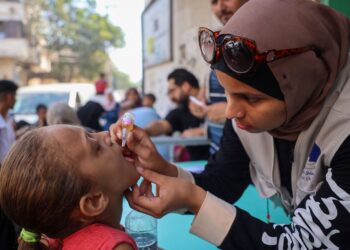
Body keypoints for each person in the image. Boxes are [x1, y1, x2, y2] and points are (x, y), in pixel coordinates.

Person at [110, 0, 350, 249]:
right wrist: (160, 167)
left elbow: (302, 244)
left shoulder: (344, 128)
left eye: (252, 98)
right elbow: (222, 182)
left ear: (302, 82)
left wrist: (195, 200)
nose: (231, 111)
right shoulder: (250, 121)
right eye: (227, 92)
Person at [0, 124, 139, 250]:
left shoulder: (52, 241)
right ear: (93, 201)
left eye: (91, 133)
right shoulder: (116, 247)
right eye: (97, 148)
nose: (106, 133)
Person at [190, 0, 248, 154]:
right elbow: (208, 89)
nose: (221, 8)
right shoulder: (215, 41)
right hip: (218, 153)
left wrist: (235, 112)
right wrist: (199, 101)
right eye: (214, 1)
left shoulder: (266, 40)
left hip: (250, 163)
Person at [145, 68, 209, 161]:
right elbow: (162, 125)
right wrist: (145, 131)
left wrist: (205, 131)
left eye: (172, 91)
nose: (170, 97)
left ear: (185, 86)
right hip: (198, 166)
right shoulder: (180, 111)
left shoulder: (214, 99)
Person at [0, 80, 18, 249]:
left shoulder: (8, 119)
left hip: (8, 176)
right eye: (15, 96)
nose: (15, 100)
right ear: (8, 96)